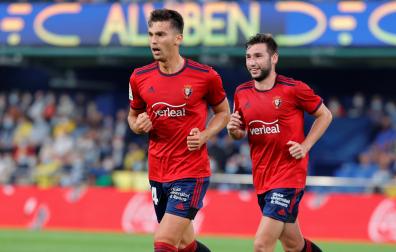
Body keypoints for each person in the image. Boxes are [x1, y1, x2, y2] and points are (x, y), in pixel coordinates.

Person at [127, 9, 230, 252]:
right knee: (186, 244)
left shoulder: (205, 76)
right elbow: (133, 116)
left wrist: (205, 134)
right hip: (157, 171)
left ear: (178, 38)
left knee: (164, 241)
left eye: (161, 34)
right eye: (151, 34)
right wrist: (137, 125)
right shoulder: (139, 77)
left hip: (190, 172)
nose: (154, 40)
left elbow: (224, 112)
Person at [227, 33, 332, 252]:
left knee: (261, 245)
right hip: (262, 177)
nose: (252, 62)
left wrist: (305, 145)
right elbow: (240, 133)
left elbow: (325, 115)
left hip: (288, 176)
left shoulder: (293, 89)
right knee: (294, 245)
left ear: (274, 58)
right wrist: (233, 130)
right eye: (248, 57)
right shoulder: (241, 92)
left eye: (258, 56)